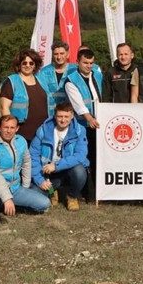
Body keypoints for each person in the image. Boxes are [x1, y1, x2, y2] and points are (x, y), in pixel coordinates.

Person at [0, 115, 49, 224]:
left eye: (12, 128)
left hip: (14, 188)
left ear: (17, 128)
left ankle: (7, 205)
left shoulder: (21, 141)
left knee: (44, 203)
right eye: (6, 127)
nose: (9, 131)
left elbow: (27, 162)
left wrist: (25, 186)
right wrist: (7, 198)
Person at [30, 102, 89, 211]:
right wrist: (39, 180)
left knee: (80, 171)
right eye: (60, 116)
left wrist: (56, 166)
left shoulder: (80, 131)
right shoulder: (43, 130)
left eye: (66, 117)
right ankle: (52, 192)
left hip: (67, 168)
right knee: (38, 191)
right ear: (54, 116)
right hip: (47, 170)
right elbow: (33, 156)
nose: (63, 120)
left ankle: (72, 196)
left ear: (72, 116)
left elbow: (80, 155)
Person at [64, 48, 102, 201]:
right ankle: (88, 193)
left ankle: (100, 191)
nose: (89, 66)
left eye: (91, 63)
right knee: (87, 159)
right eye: (85, 63)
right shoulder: (71, 81)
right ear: (77, 62)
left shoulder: (98, 75)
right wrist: (89, 118)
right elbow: (78, 104)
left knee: (99, 158)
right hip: (84, 125)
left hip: (100, 122)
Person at [0, 48, 50, 144]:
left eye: (31, 63)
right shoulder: (11, 81)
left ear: (35, 65)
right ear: (19, 64)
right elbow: (4, 108)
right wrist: (10, 129)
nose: (28, 65)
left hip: (43, 131)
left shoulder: (42, 80)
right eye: (24, 63)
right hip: (21, 133)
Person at [36, 41, 76, 113]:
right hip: (49, 113)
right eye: (56, 54)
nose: (59, 57)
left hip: (69, 113)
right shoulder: (43, 72)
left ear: (68, 54)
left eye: (62, 53)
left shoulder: (75, 70)